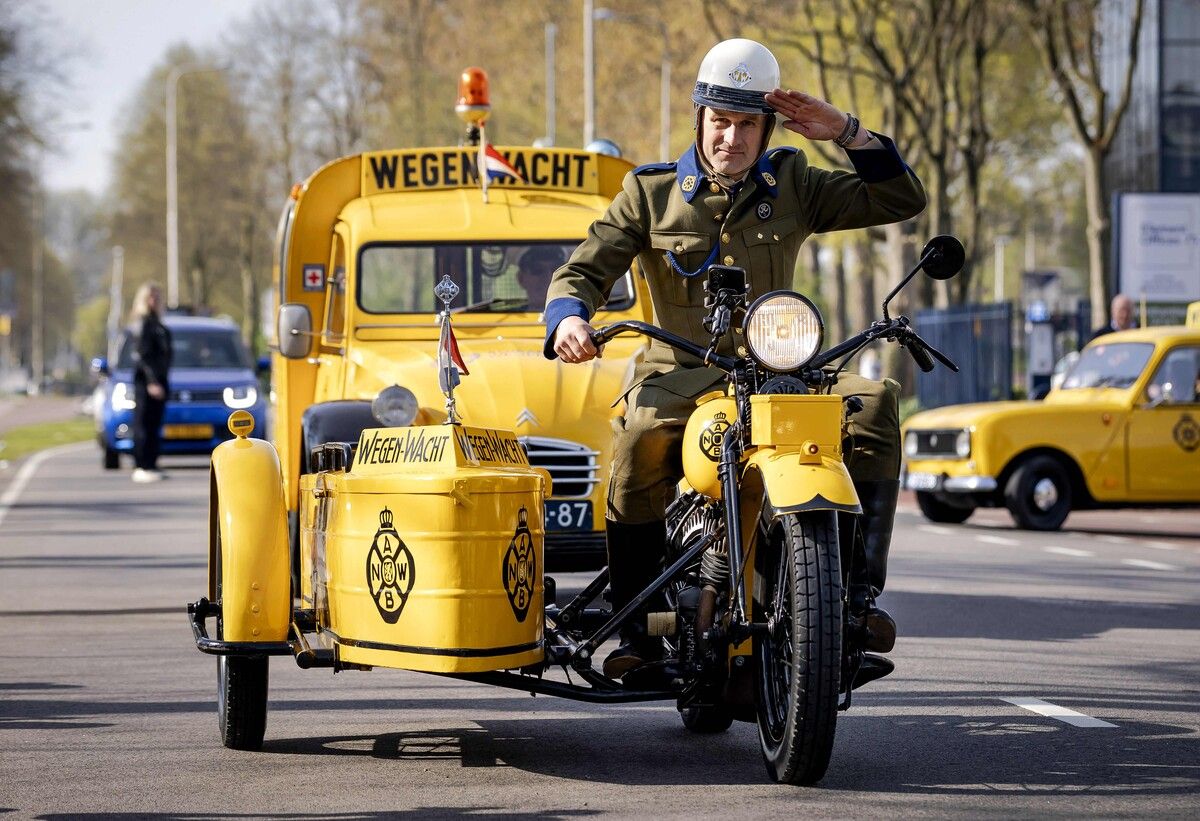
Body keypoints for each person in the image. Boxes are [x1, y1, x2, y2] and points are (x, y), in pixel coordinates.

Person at [543, 38, 926, 678]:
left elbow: (900, 201)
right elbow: (580, 272)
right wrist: (569, 319)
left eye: (747, 124)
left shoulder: (795, 183)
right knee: (635, 441)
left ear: (766, 127)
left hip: (783, 374)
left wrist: (847, 132)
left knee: (876, 403)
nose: (732, 138)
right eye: (721, 122)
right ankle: (640, 631)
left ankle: (853, 603)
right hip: (680, 378)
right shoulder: (650, 195)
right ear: (700, 120)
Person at [129, 282, 172, 483]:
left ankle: (152, 464)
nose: (154, 301)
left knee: (154, 425)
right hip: (147, 384)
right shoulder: (144, 324)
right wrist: (152, 382)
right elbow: (143, 356)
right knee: (144, 424)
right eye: (150, 297)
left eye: (156, 297)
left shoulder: (158, 324)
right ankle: (142, 464)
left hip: (160, 381)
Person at [516, 245, 566, 312]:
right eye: (537, 269)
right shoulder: (506, 320)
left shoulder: (580, 318)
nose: (548, 278)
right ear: (521, 279)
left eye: (556, 270)